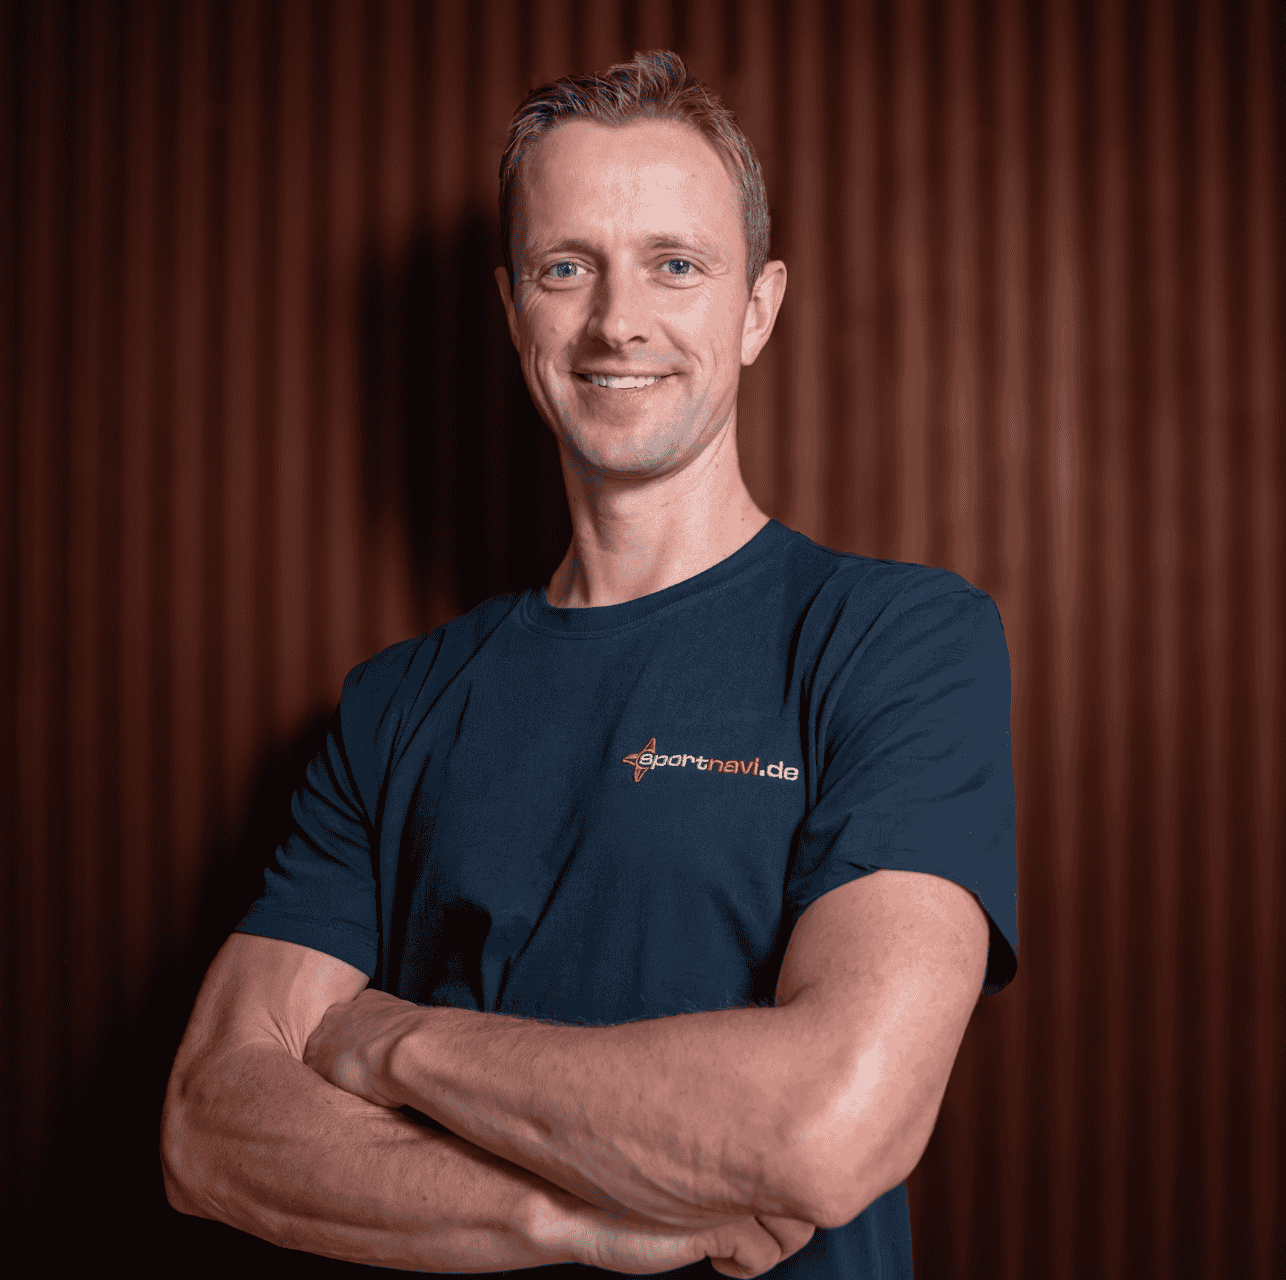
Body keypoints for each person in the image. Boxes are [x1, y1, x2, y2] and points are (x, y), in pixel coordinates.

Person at [161, 50, 1018, 1279]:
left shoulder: (895, 640)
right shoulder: (393, 703)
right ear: (514, 309)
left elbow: (829, 1124)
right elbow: (208, 1121)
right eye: (566, 268)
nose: (617, 321)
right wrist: (576, 1223)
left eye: (676, 264)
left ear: (758, 307)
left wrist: (394, 1041)